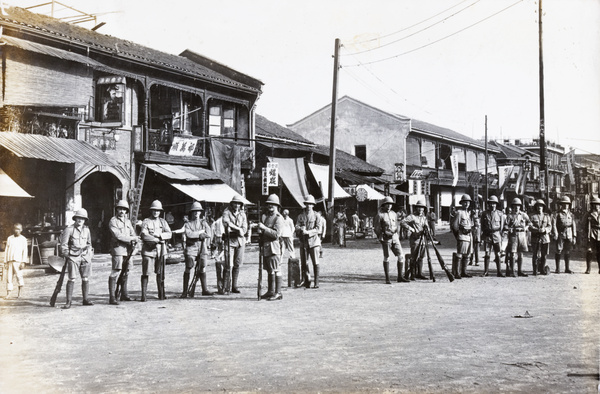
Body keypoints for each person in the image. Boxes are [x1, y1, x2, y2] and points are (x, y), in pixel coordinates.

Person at [59, 209, 94, 309]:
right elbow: (63, 246)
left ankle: (85, 299)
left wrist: (89, 255)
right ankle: (68, 301)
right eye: (79, 218)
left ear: (85, 220)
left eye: (82, 218)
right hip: (73, 257)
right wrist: (68, 256)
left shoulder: (87, 230)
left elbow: (89, 244)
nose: (80, 220)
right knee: (72, 278)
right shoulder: (69, 230)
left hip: (85, 257)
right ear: (75, 218)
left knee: (85, 278)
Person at [140, 200, 172, 301]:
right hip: (148, 251)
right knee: (146, 273)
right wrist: (157, 239)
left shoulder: (163, 222)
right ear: (151, 210)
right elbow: (144, 235)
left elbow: (169, 233)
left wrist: (160, 235)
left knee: (160, 273)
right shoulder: (146, 221)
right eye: (154, 210)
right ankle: (143, 295)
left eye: (158, 211)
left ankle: (161, 294)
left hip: (160, 251)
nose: (156, 212)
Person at [108, 200, 138, 305]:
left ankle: (124, 294)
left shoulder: (128, 222)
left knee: (127, 271)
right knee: (116, 271)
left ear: (126, 211)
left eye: (124, 209)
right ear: (117, 209)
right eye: (120, 209)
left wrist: (134, 240)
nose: (122, 211)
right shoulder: (113, 221)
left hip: (128, 250)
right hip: (118, 249)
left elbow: (133, 233)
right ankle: (112, 297)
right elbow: (118, 236)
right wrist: (132, 238)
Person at [374, 196, 408, 284]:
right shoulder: (380, 215)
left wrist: (397, 231)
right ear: (384, 205)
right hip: (386, 238)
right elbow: (377, 228)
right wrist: (382, 235)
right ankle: (387, 278)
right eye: (387, 204)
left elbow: (396, 224)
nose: (389, 206)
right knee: (387, 257)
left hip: (395, 237)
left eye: (390, 204)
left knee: (401, 256)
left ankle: (400, 276)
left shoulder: (394, 213)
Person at [256, 194, 285, 300]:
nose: (270, 206)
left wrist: (264, 228)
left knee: (276, 269)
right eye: (269, 204)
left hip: (274, 247)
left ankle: (278, 292)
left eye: (273, 204)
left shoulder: (278, 218)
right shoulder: (267, 217)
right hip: (267, 247)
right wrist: (260, 231)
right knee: (270, 270)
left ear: (277, 206)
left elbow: (276, 234)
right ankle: (271, 291)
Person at [182, 202, 213, 298]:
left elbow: (209, 233)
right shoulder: (188, 224)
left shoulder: (204, 223)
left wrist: (204, 235)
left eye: (198, 212)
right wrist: (199, 234)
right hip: (191, 247)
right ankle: (185, 291)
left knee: (203, 267)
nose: (196, 214)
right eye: (194, 212)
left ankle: (205, 289)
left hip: (202, 247)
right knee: (189, 266)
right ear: (192, 213)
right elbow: (189, 234)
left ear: (200, 212)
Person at [222, 195, 248, 294]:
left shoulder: (243, 214)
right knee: (228, 264)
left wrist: (241, 230)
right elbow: (226, 223)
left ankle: (234, 286)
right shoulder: (226, 212)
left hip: (240, 241)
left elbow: (245, 228)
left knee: (237, 264)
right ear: (231, 203)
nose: (236, 205)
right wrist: (238, 229)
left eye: (238, 203)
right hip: (229, 241)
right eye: (235, 203)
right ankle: (225, 287)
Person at [295, 195, 323, 288]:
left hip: (314, 242)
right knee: (304, 262)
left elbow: (319, 229)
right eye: (307, 204)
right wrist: (300, 229)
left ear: (313, 205)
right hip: (304, 242)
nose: (308, 206)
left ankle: (316, 282)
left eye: (310, 204)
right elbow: (296, 226)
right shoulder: (301, 216)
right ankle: (305, 280)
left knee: (315, 262)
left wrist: (308, 232)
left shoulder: (316, 215)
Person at [400, 199, 429, 280]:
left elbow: (427, 227)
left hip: (423, 240)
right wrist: (411, 229)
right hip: (415, 240)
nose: (420, 209)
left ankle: (419, 273)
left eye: (422, 208)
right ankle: (412, 274)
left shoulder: (424, 218)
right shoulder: (412, 216)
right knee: (414, 256)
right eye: (419, 208)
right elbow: (402, 222)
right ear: (416, 208)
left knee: (421, 257)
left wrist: (427, 231)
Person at [505, 198, 531, 277]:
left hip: (522, 235)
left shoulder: (523, 215)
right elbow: (505, 225)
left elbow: (529, 222)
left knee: (521, 253)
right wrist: (509, 229)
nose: (517, 207)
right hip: (514, 235)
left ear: (520, 206)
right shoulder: (510, 216)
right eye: (515, 206)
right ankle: (512, 271)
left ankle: (520, 270)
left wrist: (526, 227)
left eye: (518, 206)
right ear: (512, 206)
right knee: (513, 253)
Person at [481, 195, 505, 277]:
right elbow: (482, 226)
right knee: (487, 254)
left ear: (496, 204)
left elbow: (502, 226)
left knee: (498, 254)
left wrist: (500, 236)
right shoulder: (484, 214)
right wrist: (483, 236)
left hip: (496, 235)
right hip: (488, 236)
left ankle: (499, 271)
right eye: (490, 203)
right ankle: (486, 271)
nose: (492, 205)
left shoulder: (500, 214)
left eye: (494, 203)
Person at [552, 196, 577, 274]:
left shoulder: (571, 214)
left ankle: (567, 268)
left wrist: (574, 236)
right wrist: (555, 233)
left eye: (567, 204)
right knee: (559, 250)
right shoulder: (557, 214)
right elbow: (554, 224)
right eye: (564, 204)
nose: (566, 205)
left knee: (567, 251)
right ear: (561, 204)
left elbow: (574, 225)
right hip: (561, 233)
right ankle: (557, 268)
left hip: (569, 233)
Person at [3, 223, 28, 299]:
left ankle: (20, 294)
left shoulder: (23, 239)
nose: (16, 231)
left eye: (18, 229)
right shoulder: (10, 238)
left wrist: (23, 262)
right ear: (13, 229)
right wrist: (5, 262)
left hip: (18, 261)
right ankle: (8, 293)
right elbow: (7, 250)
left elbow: (25, 251)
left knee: (19, 276)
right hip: (10, 260)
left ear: (21, 230)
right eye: (15, 229)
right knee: (9, 278)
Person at [451, 194, 473, 279]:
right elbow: (454, 226)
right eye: (465, 202)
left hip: (469, 236)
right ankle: (457, 272)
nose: (467, 204)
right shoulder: (459, 213)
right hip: (462, 236)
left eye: (468, 202)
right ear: (462, 203)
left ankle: (464, 271)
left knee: (467, 255)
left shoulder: (468, 213)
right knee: (459, 255)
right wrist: (458, 236)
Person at [529, 199, 552, 276]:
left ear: (543, 207)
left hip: (545, 238)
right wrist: (537, 230)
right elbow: (530, 226)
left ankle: (542, 269)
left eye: (541, 206)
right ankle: (535, 270)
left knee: (544, 254)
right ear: (536, 207)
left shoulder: (547, 216)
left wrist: (545, 230)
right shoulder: (532, 216)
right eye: (538, 206)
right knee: (535, 254)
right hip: (535, 238)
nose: (539, 207)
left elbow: (550, 226)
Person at [211, 211, 226, 294]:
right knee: (221, 266)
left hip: (221, 239)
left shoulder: (216, 222)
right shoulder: (218, 222)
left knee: (221, 267)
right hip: (220, 238)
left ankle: (222, 288)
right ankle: (222, 288)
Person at [584, 196, 600, 274]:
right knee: (589, 251)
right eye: (594, 204)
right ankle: (588, 268)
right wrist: (585, 234)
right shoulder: (589, 214)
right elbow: (583, 224)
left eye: (598, 204)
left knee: (599, 252)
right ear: (592, 205)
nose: (596, 206)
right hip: (591, 233)